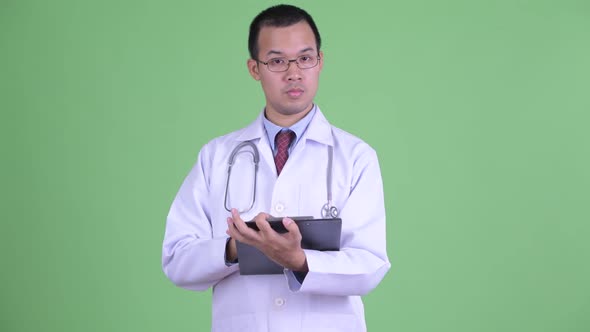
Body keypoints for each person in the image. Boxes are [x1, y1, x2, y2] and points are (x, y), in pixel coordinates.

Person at [162, 4, 390, 332]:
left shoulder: (355, 156)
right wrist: (236, 247)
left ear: (320, 62)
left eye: (305, 58)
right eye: (277, 61)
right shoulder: (217, 156)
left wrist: (297, 260)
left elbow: (370, 265)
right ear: (254, 68)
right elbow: (177, 260)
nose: (293, 73)